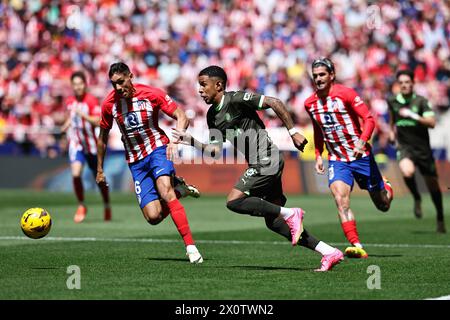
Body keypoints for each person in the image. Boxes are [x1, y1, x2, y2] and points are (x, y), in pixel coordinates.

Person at [173, 65, 344, 272]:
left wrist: (293, 132)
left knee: (234, 201)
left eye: (203, 85)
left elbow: (275, 102)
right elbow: (214, 151)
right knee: (274, 223)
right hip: (261, 163)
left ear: (218, 85)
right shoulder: (212, 116)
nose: (200, 90)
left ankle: (290, 213)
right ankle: (328, 251)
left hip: (267, 159)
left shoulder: (236, 99)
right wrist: (191, 141)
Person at [96, 62, 203, 263]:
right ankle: (181, 190)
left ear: (130, 76)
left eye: (121, 82)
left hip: (158, 150)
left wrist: (175, 140)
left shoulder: (151, 94)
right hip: (135, 161)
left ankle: (191, 247)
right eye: (114, 84)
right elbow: (102, 138)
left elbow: (180, 116)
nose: (118, 88)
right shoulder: (109, 105)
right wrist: (100, 169)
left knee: (165, 190)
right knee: (153, 217)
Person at [304, 58, 394, 259]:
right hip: (337, 159)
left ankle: (385, 187)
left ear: (331, 75)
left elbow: (369, 119)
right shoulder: (309, 103)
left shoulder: (346, 94)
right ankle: (357, 245)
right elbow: (318, 131)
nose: (318, 79)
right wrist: (319, 155)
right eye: (315, 75)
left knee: (383, 205)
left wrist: (362, 141)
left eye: (322, 74)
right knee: (340, 200)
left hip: (361, 156)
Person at [387, 69, 446, 233]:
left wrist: (412, 115)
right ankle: (417, 197)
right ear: (398, 85)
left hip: (423, 149)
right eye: (401, 83)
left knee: (432, 185)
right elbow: (392, 119)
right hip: (405, 147)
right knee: (407, 172)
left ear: (413, 83)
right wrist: (392, 132)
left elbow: (432, 123)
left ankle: (440, 217)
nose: (404, 85)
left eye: (407, 82)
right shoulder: (393, 101)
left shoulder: (421, 102)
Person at [61, 71, 111, 223]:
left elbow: (98, 121)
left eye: (80, 84)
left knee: (100, 180)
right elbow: (70, 117)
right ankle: (82, 205)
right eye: (75, 84)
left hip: (92, 147)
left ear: (85, 84)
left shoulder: (91, 101)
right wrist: (66, 126)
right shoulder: (69, 101)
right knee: (76, 174)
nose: (78, 87)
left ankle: (107, 204)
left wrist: (83, 115)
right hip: (77, 144)